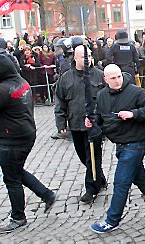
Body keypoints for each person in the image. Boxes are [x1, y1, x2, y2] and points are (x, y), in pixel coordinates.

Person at [0, 49, 57, 233]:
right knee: (16, 171)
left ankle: (18, 217)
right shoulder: (22, 82)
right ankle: (46, 194)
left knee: (11, 178)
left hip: (13, 138)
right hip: (24, 134)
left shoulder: (3, 90)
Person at [88, 64, 145, 233]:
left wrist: (133, 114)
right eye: (113, 78)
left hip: (136, 142)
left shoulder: (136, 92)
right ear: (105, 79)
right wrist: (92, 120)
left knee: (121, 181)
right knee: (139, 178)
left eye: (119, 76)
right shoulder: (102, 95)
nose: (117, 80)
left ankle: (112, 220)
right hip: (120, 143)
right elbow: (99, 116)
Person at [55, 46, 108, 203]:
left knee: (93, 156)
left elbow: (107, 100)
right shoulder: (65, 78)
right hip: (75, 124)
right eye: (84, 56)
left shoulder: (99, 75)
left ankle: (91, 188)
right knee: (84, 156)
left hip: (94, 126)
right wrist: (60, 122)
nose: (88, 58)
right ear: (75, 58)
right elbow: (60, 101)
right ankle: (100, 177)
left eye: (90, 55)